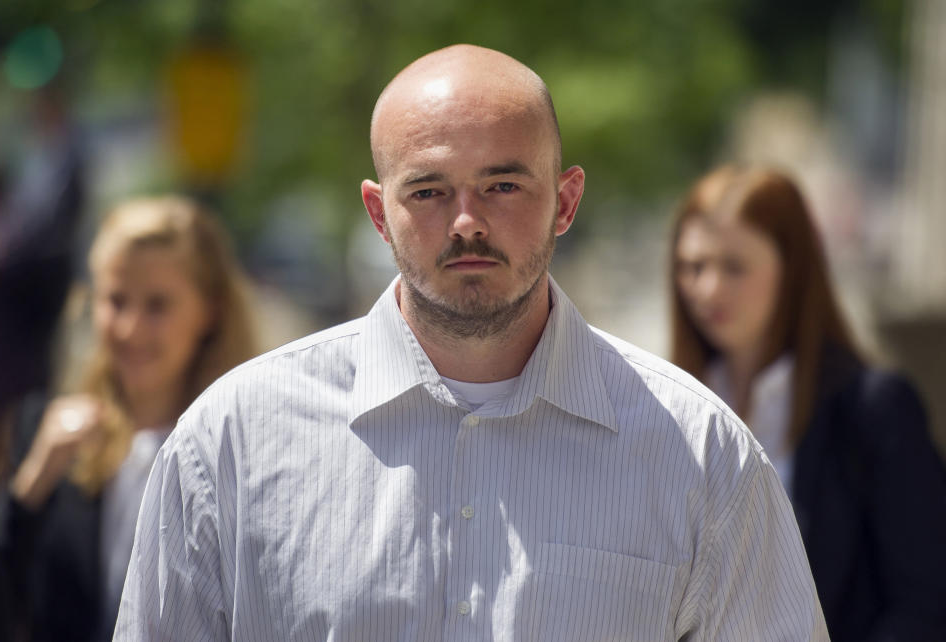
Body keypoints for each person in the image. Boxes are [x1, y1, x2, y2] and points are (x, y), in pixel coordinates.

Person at [116, 45, 828, 641]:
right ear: (377, 212)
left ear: (567, 201)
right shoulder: (230, 444)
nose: (466, 221)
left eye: (504, 185)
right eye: (427, 191)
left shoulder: (701, 458)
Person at [669, 164, 946, 641]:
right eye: (693, 266)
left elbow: (924, 605)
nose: (708, 289)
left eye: (734, 266)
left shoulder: (875, 410)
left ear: (793, 270)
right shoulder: (665, 404)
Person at [4, 196, 258, 641]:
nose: (130, 329)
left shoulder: (248, 444)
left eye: (157, 305)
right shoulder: (46, 432)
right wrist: (30, 488)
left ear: (210, 311)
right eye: (116, 301)